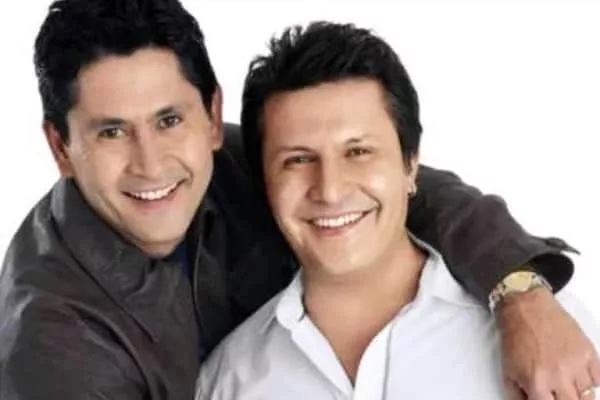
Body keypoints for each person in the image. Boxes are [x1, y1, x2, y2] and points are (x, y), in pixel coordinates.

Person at [0, 1, 596, 399]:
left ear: (212, 116)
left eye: (169, 119)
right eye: (111, 132)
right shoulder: (54, 347)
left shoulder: (250, 156)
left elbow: (392, 181)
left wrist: (520, 292)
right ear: (59, 147)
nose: (152, 163)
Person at [196, 22, 600, 400]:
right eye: (298, 160)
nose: (331, 190)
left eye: (358, 151)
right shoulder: (229, 379)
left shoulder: (555, 342)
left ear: (411, 163)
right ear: (265, 183)